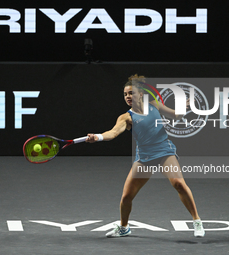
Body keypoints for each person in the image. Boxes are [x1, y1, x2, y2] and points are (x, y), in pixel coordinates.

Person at [86, 74, 205, 238]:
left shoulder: (154, 105)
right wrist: (98, 136)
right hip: (145, 157)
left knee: (178, 183)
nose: (128, 97)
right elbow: (113, 133)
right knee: (127, 196)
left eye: (131, 93)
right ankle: (124, 227)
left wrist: (185, 107)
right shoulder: (126, 117)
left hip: (164, 150)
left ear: (140, 94)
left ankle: (197, 221)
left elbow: (176, 116)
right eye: (125, 94)